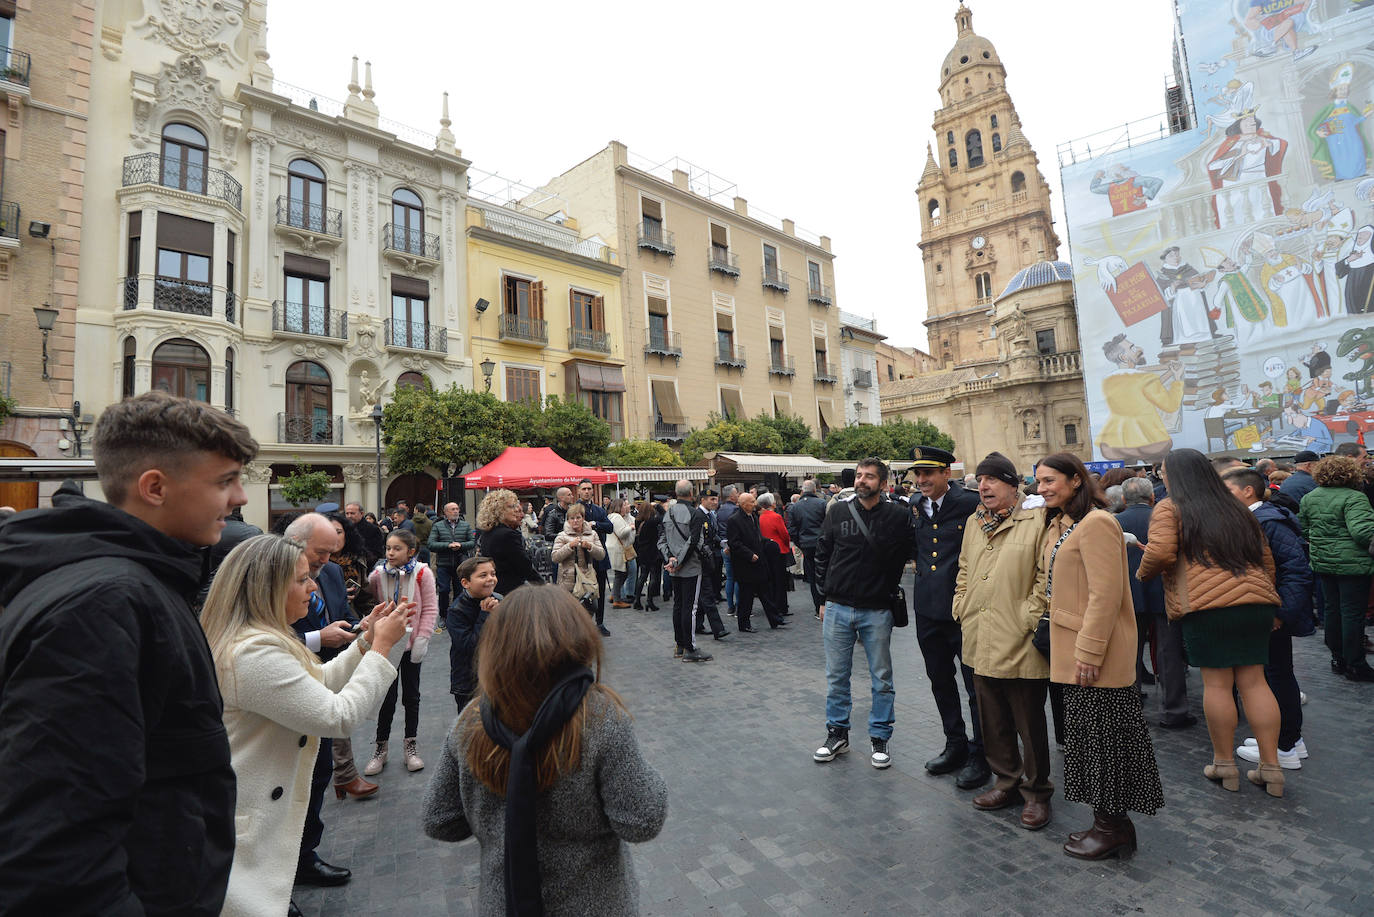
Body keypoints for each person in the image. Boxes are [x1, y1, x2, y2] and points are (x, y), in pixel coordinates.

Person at [0, 393, 255, 915]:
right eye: (224, 481)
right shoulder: (104, 606)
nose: (240, 497)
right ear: (154, 487)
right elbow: (57, 855)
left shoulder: (134, 583)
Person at [421, 586, 668, 915]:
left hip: (503, 903)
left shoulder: (471, 722)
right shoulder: (600, 718)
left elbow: (440, 819)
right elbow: (642, 820)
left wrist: (493, 822)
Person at [202, 534, 412, 917]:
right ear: (267, 588)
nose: (313, 587)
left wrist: (365, 642)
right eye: (302, 579)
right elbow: (338, 716)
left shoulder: (262, 639)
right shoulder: (253, 652)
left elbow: (321, 681)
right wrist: (381, 648)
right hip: (247, 828)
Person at [1138, 448, 1286, 798]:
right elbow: (1265, 558)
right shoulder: (1237, 506)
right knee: (1255, 683)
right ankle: (1271, 768)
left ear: (1175, 475)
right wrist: (1269, 602)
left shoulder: (1171, 507)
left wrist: (1143, 573)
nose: (1161, 477)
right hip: (1255, 602)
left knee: (1217, 686)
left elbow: (1160, 552)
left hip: (1208, 606)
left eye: (1163, 471)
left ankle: (1224, 764)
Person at [1038, 452, 1163, 860]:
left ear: (1076, 480)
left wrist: (1090, 650)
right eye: (1039, 481)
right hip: (1077, 650)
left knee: (1104, 744)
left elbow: (1105, 594)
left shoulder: (1096, 523)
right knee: (1093, 743)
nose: (1041, 488)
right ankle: (1110, 825)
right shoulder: (1069, 523)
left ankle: (1111, 828)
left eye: (1049, 480)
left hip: (1095, 654)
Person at [952, 452, 1051, 828]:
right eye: (980, 480)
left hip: (1019, 637)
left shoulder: (1037, 519)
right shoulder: (974, 521)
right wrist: (961, 603)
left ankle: (1036, 792)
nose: (983, 486)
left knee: (1029, 721)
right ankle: (1006, 781)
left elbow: (1046, 575)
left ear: (1013, 485)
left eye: (992, 479)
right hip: (979, 633)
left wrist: (1029, 616)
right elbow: (964, 568)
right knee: (991, 719)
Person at [812, 458, 913, 769]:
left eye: (869, 476)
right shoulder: (838, 511)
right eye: (859, 475)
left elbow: (909, 553)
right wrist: (823, 599)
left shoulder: (899, 516)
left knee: (881, 677)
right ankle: (837, 734)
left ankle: (880, 736)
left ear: (883, 484)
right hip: (838, 606)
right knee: (836, 676)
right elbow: (823, 554)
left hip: (877, 609)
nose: (861, 480)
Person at [908, 445, 989, 789]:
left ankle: (982, 753)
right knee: (940, 681)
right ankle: (955, 744)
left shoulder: (970, 503)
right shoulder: (915, 505)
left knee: (975, 687)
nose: (921, 480)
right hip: (927, 610)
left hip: (963, 611)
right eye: (918, 474)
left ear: (946, 473)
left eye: (928, 473)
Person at [1222, 467, 1314, 768]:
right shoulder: (1262, 519)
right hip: (1269, 611)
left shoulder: (1268, 522)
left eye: (1229, 491)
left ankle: (1284, 746)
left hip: (1271, 613)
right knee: (1276, 674)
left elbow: (1296, 570)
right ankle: (1288, 739)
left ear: (1248, 491)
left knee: (1276, 676)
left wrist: (1280, 613)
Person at [1117, 478, 1194, 728]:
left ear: (1124, 500)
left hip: (1129, 594)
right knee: (1169, 653)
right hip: (1165, 592)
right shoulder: (1167, 518)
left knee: (1129, 654)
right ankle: (1175, 711)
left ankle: (1129, 709)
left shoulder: (1114, 522)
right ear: (1152, 498)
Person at [364, 529, 440, 776]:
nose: (390, 553)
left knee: (411, 696)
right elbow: (370, 603)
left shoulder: (422, 574)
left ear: (411, 551)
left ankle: (410, 745)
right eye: (388, 548)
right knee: (385, 698)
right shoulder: (378, 576)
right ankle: (380, 748)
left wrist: (422, 638)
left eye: (397, 548)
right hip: (386, 644)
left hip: (412, 645)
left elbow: (430, 608)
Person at [1297, 455, 1374, 681]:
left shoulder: (1310, 497)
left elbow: (1304, 528)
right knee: (1352, 614)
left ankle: (1338, 659)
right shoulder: (1354, 497)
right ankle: (1355, 664)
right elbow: (1363, 532)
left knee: (1332, 611)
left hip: (1324, 562)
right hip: (1352, 564)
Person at [659, 479, 720, 660]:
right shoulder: (694, 514)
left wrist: (670, 558)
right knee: (690, 608)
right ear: (692, 493)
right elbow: (694, 542)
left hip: (674, 566)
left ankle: (680, 645)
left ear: (676, 493)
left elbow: (661, 540)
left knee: (678, 605)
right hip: (690, 566)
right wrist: (678, 561)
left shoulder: (668, 512)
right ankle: (690, 648)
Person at [727, 491, 788, 632]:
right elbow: (734, 543)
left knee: (765, 593)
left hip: (758, 561)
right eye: (752, 502)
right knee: (746, 596)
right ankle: (744, 624)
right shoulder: (734, 520)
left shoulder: (753, 517)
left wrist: (768, 542)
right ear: (743, 504)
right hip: (745, 564)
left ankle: (775, 619)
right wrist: (749, 555)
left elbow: (757, 537)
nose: (755, 504)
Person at [448, 556, 501, 714]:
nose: (490, 579)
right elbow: (471, 646)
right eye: (483, 575)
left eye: (493, 574)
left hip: (497, 677)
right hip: (469, 682)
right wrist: (486, 615)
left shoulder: (499, 600)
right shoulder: (457, 611)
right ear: (466, 583)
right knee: (472, 723)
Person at [478, 489, 544, 597]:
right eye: (511, 507)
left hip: (494, 588)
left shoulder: (488, 532)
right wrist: (543, 586)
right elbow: (524, 566)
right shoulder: (508, 534)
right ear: (498, 511)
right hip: (511, 591)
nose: (516, 509)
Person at [552, 503, 608, 618]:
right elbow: (555, 557)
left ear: (583, 518)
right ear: (568, 520)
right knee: (570, 616)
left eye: (578, 517)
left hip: (587, 580)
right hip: (568, 582)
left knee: (588, 613)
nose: (575, 521)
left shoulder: (592, 534)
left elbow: (601, 555)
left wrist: (590, 546)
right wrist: (569, 546)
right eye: (572, 518)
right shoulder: (562, 536)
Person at [788, 479, 828, 618]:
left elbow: (792, 529)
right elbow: (828, 525)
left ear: (802, 491)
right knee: (825, 573)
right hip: (822, 544)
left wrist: (800, 543)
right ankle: (826, 604)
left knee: (812, 577)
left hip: (806, 544)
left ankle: (818, 608)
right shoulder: (822, 504)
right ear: (814, 490)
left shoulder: (795, 507)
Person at [429, 502, 476, 616]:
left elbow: (472, 542)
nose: (455, 511)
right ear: (446, 512)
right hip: (443, 563)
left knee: (459, 590)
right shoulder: (438, 526)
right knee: (444, 590)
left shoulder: (465, 525)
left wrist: (461, 545)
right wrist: (448, 545)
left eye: (457, 509)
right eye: (452, 509)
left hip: (460, 564)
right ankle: (443, 615)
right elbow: (431, 544)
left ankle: (456, 614)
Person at [758, 492, 793, 614]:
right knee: (780, 580)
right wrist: (786, 546)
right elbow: (784, 534)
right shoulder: (776, 517)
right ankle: (781, 606)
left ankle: (773, 604)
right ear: (771, 503)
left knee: (771, 579)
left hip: (766, 550)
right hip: (779, 550)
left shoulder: (761, 517)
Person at [607, 496, 637, 608]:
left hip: (615, 548)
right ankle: (617, 600)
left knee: (620, 574)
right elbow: (622, 533)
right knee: (621, 574)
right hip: (618, 549)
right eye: (624, 505)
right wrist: (631, 528)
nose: (626, 507)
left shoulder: (612, 517)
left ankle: (614, 595)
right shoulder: (617, 517)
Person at [633, 498, 663, 611]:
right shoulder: (652, 522)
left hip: (642, 551)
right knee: (653, 577)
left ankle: (637, 600)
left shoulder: (637, 521)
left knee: (642, 576)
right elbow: (664, 516)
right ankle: (649, 601)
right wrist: (658, 506)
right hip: (652, 552)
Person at [717, 484, 742, 614]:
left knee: (730, 577)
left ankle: (730, 606)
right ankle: (738, 606)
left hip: (724, 546)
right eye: (736, 493)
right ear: (732, 496)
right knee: (738, 577)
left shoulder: (719, 509)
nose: (738, 495)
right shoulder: (736, 510)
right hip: (734, 546)